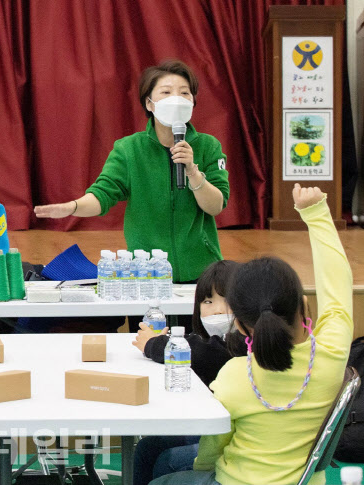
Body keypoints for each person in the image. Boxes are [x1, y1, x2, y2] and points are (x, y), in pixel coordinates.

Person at [149, 184, 353, 485]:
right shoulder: (332, 353)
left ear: (242, 327)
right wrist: (316, 213)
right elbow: (337, 285)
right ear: (305, 307)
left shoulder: (235, 376)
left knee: (162, 473)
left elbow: (211, 451)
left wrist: (199, 465)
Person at [34, 59, 230, 286]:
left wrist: (193, 172)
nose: (176, 99)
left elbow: (216, 205)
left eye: (184, 93)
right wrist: (73, 207)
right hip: (147, 272)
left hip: (202, 271)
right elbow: (103, 194)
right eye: (166, 92)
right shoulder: (128, 150)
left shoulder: (209, 146)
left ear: (193, 101)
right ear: (149, 104)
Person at [131, 260, 246, 485]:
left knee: (167, 460)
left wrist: (155, 344)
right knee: (147, 448)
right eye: (208, 301)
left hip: (233, 438)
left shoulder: (243, 343)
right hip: (216, 432)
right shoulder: (215, 339)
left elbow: (205, 353)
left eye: (228, 301)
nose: (218, 310)